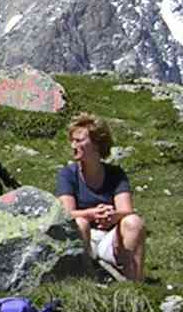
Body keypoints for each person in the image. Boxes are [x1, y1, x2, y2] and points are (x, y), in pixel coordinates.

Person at [56, 114, 147, 281]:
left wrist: (112, 216)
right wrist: (93, 213)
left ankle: (135, 285)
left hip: (110, 238)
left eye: (79, 141)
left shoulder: (115, 174)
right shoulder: (67, 174)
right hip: (84, 238)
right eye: (72, 140)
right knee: (80, 223)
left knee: (134, 222)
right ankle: (87, 283)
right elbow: (66, 214)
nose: (73, 145)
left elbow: (126, 211)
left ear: (97, 145)